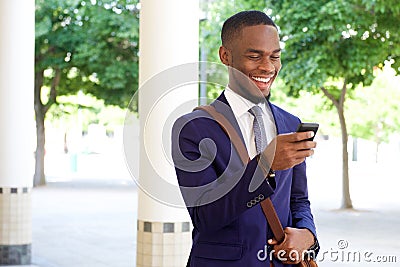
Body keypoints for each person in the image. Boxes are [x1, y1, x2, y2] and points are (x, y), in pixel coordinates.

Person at [171, 10, 319, 267]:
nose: (268, 67)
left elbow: (299, 201)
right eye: (254, 56)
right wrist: (265, 164)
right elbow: (205, 217)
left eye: (275, 56)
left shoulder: (289, 124)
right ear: (225, 56)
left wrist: (308, 235)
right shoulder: (193, 128)